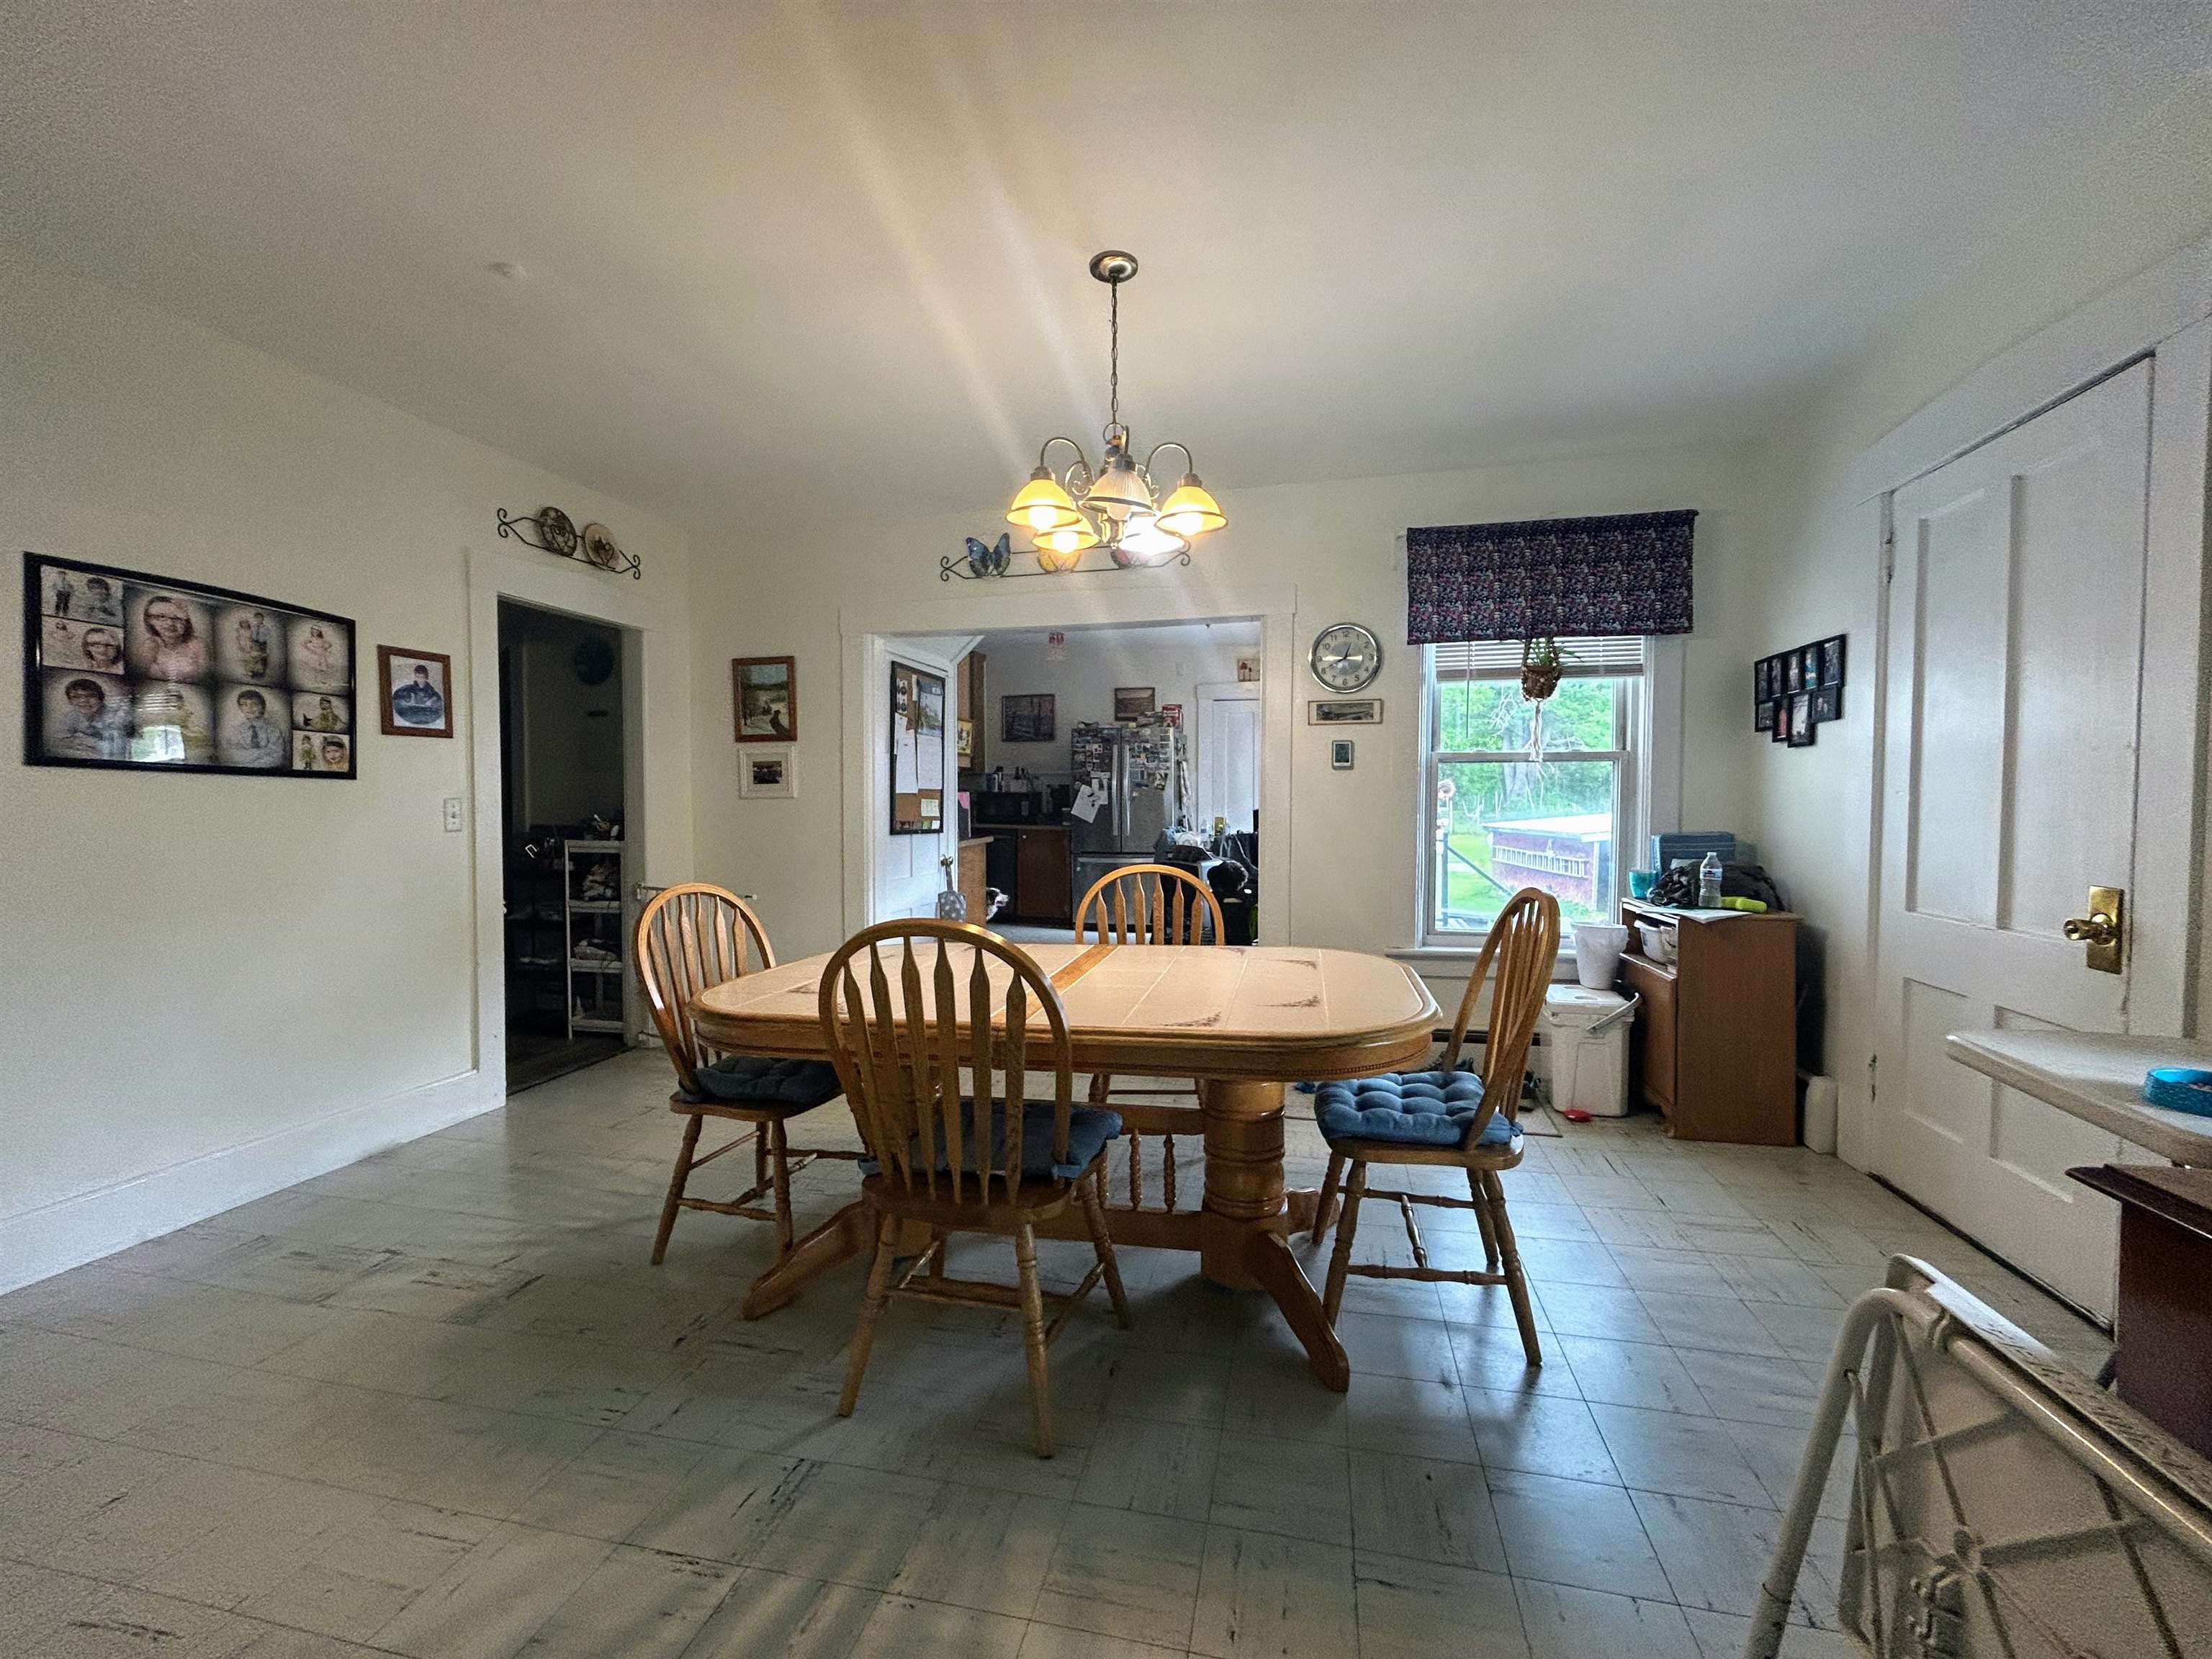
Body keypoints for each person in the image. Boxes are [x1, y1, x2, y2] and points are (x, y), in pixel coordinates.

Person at [138, 594, 208, 680]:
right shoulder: (149, 645)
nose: (170, 624)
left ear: (186, 622)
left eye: (177, 618)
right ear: (150, 621)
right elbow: (138, 680)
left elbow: (207, 679)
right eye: (161, 617)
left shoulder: (198, 644)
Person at [51, 677, 122, 760]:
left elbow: (117, 748)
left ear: (101, 699)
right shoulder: (72, 716)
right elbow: (59, 741)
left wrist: (83, 740)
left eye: (90, 696)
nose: (83, 700)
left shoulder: (117, 717)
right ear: (70, 701)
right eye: (76, 697)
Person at [225, 688, 284, 766]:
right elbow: (233, 757)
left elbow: (276, 758)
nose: (249, 708)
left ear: (262, 707)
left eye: (254, 704)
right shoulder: (236, 731)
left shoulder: (274, 730)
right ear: (240, 708)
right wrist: (265, 751)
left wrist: (247, 758)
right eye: (244, 704)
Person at [390, 661, 444, 727]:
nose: (420, 680)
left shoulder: (434, 695)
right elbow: (397, 703)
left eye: (422, 677)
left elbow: (438, 711)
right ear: (415, 677)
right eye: (418, 677)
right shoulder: (406, 690)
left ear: (426, 677)